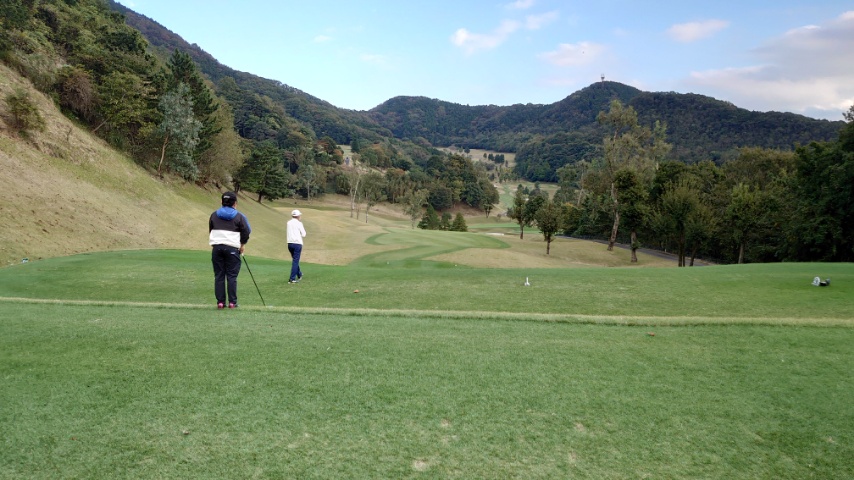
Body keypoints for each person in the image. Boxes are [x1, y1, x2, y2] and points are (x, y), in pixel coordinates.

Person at [209, 191, 251, 308]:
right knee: (232, 276)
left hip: (217, 248)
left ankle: (220, 302)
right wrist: (242, 244)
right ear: (235, 203)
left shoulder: (214, 215)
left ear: (222, 202)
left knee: (219, 276)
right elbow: (246, 231)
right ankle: (232, 302)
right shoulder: (239, 216)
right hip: (232, 248)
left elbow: (211, 230)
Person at [287, 209, 307, 283]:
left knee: (295, 260)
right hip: (297, 244)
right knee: (295, 261)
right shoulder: (299, 223)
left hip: (290, 243)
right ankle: (292, 279)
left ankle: (299, 274)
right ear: (298, 216)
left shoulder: (288, 223)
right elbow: (304, 234)